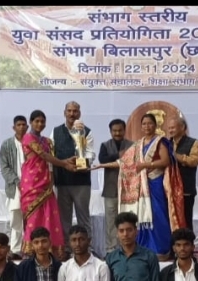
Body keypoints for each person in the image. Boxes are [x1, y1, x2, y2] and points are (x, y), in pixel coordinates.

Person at [96, 113, 186, 258]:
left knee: (157, 216)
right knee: (142, 216)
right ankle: (144, 249)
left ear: (155, 125)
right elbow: (124, 163)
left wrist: (145, 165)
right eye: (144, 124)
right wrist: (101, 165)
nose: (147, 126)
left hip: (155, 183)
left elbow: (165, 161)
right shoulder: (138, 144)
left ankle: (161, 250)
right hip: (142, 186)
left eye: (150, 123)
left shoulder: (160, 141)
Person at [21, 110, 75, 256]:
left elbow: (51, 158)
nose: (40, 124)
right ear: (31, 122)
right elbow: (43, 155)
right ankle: (31, 249)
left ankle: (51, 248)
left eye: (42, 121)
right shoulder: (27, 137)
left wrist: (67, 161)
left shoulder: (47, 141)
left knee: (49, 213)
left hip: (46, 182)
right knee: (34, 215)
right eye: (37, 121)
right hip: (32, 181)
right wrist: (64, 164)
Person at [51, 101, 96, 237]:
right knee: (64, 219)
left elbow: (90, 154)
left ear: (79, 113)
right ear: (64, 113)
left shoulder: (87, 131)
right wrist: (64, 164)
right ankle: (66, 246)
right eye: (69, 111)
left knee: (83, 217)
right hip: (62, 181)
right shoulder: (55, 131)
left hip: (81, 182)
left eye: (75, 111)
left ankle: (87, 246)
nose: (72, 114)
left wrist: (81, 164)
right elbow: (51, 154)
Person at [97, 119, 131, 256]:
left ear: (124, 130)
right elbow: (102, 160)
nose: (117, 133)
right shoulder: (105, 145)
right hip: (111, 190)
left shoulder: (132, 145)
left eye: (120, 130)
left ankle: (128, 249)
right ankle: (111, 250)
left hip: (128, 191)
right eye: (114, 131)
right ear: (110, 132)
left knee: (128, 220)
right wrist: (118, 155)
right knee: (111, 222)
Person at [0, 116, 28, 255]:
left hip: (32, 186)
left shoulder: (32, 142)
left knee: (32, 218)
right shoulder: (7, 144)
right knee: (16, 218)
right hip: (15, 187)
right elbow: (4, 167)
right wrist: (17, 181)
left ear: (27, 127)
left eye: (23, 124)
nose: (21, 127)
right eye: (18, 125)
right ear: (13, 127)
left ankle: (31, 248)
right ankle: (16, 249)